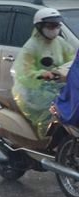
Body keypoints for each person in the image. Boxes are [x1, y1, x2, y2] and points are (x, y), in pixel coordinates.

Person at [13, 8, 76, 138]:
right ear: (40, 26)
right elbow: (23, 73)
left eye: (57, 25)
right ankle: (44, 142)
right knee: (51, 113)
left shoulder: (60, 42)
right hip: (35, 90)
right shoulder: (31, 47)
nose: (54, 29)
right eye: (50, 26)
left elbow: (73, 60)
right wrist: (42, 74)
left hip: (56, 86)